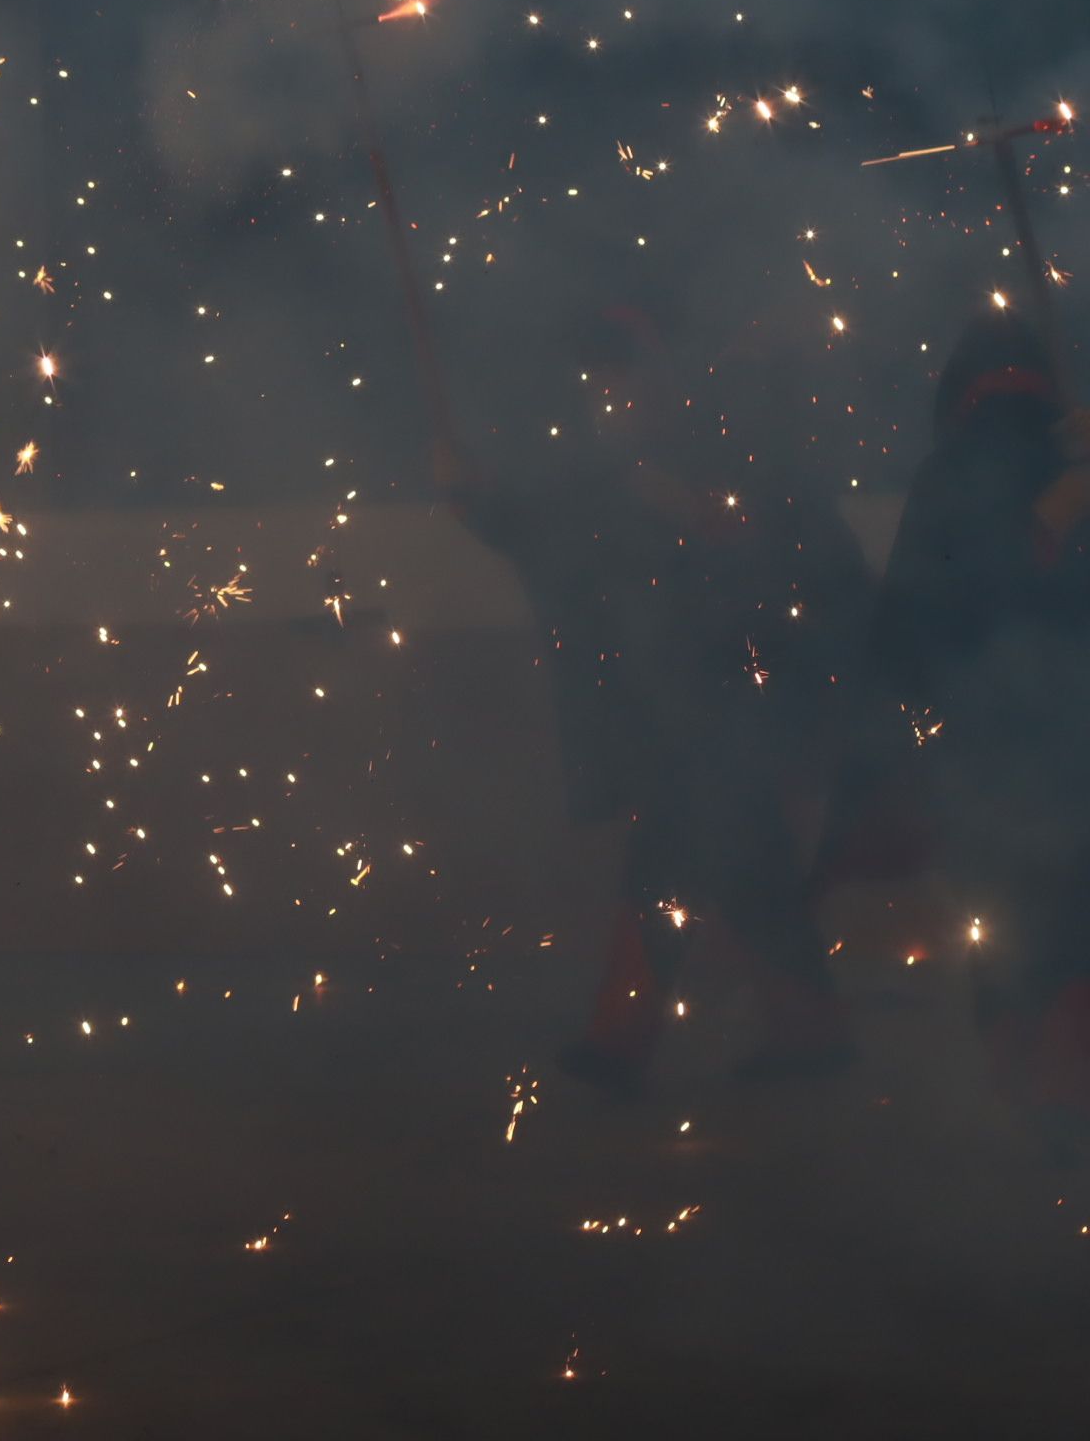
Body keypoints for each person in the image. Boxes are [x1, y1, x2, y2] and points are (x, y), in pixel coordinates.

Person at [442, 314, 868, 1090]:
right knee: (749, 877)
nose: (611, 399)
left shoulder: (714, 450)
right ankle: (806, 1038)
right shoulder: (606, 477)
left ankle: (625, 1043)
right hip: (672, 723)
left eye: (622, 381)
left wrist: (706, 522)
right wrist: (474, 499)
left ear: (657, 379)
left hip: (727, 717)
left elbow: (779, 555)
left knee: (677, 874)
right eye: (599, 387)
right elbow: (548, 533)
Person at [870, 313, 1090, 1124]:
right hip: (1027, 742)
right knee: (1057, 912)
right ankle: (1052, 1091)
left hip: (1001, 745)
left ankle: (1030, 1091)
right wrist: (1056, 509)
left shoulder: (947, 473)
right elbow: (982, 589)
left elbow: (904, 629)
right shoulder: (1035, 466)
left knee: (1014, 916)